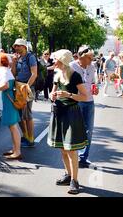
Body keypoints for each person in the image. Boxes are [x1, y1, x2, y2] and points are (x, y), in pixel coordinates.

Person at [48, 49, 89, 195]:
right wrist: (52, 95)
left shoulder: (75, 75)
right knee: (63, 148)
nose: (53, 62)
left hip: (71, 112)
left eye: (56, 60)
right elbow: (52, 93)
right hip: (59, 112)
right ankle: (68, 175)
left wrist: (68, 95)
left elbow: (85, 97)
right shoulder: (57, 74)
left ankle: (75, 181)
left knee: (71, 149)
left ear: (62, 61)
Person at [0, 53, 21, 160]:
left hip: (7, 100)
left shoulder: (3, 70)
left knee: (13, 127)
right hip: (8, 99)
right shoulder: (6, 70)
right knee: (12, 127)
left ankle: (17, 151)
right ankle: (15, 149)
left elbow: (6, 85)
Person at [70, 45, 98, 168]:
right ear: (81, 57)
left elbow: (92, 82)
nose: (91, 60)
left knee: (89, 131)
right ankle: (74, 156)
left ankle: (83, 158)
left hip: (89, 102)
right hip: (76, 101)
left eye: (92, 58)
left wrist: (95, 87)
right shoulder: (72, 66)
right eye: (89, 58)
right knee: (75, 130)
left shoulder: (92, 67)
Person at [11, 38, 37, 148]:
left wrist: (27, 86)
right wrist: (14, 62)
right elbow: (13, 74)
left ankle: (31, 139)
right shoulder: (18, 58)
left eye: (18, 46)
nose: (16, 48)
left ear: (24, 47)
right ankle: (25, 136)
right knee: (19, 115)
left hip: (26, 88)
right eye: (15, 46)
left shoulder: (30, 57)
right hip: (17, 88)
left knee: (27, 115)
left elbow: (34, 74)